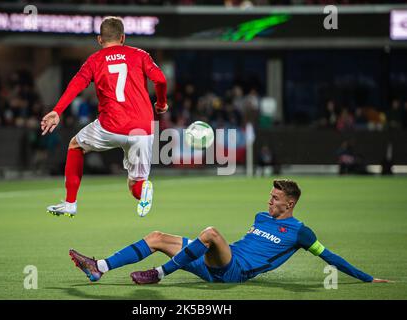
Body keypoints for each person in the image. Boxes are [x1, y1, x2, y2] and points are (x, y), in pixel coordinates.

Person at [69, 179, 390, 284]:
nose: (269, 200)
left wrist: (367, 278)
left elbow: (329, 255)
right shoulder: (261, 216)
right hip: (219, 260)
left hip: (234, 271)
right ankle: (100, 268)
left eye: (276, 198)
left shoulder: (300, 232)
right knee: (156, 236)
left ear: (290, 203)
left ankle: (159, 273)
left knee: (210, 232)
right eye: (271, 195)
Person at [41, 17, 168, 218]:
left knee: (75, 145)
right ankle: (144, 188)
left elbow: (76, 85)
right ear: (123, 37)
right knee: (136, 184)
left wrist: (57, 110)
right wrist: (161, 103)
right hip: (142, 129)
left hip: (110, 127)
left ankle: (70, 203)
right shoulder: (140, 55)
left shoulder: (94, 60)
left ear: (100, 39)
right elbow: (160, 79)